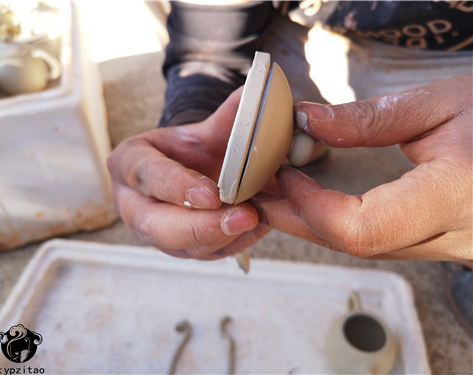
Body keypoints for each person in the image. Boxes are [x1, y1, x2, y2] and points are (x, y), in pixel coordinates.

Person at [107, 1, 472, 334]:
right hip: (296, 38)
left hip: (458, 63)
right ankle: (301, 148)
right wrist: (195, 131)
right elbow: (210, 42)